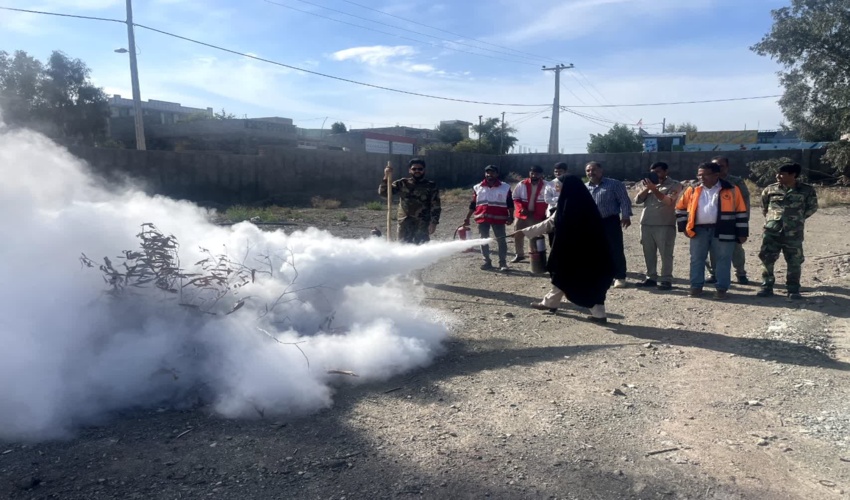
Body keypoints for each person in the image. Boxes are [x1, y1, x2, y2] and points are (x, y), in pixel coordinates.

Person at [511, 174, 614, 323]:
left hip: (579, 254)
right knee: (563, 276)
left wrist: (524, 232)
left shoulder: (572, 206)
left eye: (559, 185)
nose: (556, 187)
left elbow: (551, 223)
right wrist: (524, 232)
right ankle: (549, 303)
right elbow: (550, 223)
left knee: (581, 280)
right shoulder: (578, 204)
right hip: (580, 252)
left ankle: (599, 314)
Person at [675, 162, 749, 299]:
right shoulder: (692, 189)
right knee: (697, 259)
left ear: (716, 175)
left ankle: (721, 288)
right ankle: (696, 286)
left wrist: (742, 232)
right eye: (699, 174)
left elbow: (741, 212)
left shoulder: (732, 189)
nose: (700, 177)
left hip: (724, 229)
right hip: (698, 230)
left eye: (704, 175)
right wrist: (683, 227)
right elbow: (680, 208)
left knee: (723, 259)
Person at [756, 162, 818, 299]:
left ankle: (793, 289)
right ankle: (766, 287)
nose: (778, 176)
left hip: (793, 233)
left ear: (793, 175)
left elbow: (812, 207)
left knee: (794, 261)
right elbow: (764, 207)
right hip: (772, 232)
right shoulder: (770, 189)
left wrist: (797, 219)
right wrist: (773, 220)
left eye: (782, 174)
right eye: (777, 173)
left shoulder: (806, 190)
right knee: (767, 259)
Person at [634, 162, 683, 290]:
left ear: (666, 172)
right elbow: (637, 200)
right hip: (646, 223)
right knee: (648, 252)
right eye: (653, 172)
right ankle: (651, 277)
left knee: (666, 253)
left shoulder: (675, 185)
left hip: (665, 224)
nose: (655, 174)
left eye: (658, 171)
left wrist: (654, 190)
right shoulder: (645, 183)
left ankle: (666, 279)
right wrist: (647, 188)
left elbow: (668, 201)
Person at [585, 161, 632, 288]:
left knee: (615, 249)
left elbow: (624, 200)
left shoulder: (614, 184)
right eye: (588, 171)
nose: (591, 173)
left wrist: (626, 216)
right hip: (592, 223)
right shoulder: (585, 187)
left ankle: (620, 276)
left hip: (610, 221)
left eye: (593, 170)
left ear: (601, 171)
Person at [707, 156, 751, 284]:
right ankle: (713, 273)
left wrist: (742, 225)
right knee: (712, 250)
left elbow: (744, 203)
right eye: (716, 166)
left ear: (727, 167)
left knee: (736, 249)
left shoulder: (736, 182)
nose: (719, 169)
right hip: (712, 223)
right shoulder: (707, 182)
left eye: (722, 166)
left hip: (731, 223)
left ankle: (741, 273)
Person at [463, 165, 514, 271]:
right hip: (482, 218)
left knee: (501, 240)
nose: (489, 175)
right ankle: (487, 261)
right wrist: (467, 217)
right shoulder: (478, 187)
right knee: (483, 240)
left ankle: (502, 263)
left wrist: (511, 216)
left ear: (497, 174)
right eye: (487, 173)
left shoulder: (505, 187)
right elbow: (473, 204)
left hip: (499, 218)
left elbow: (510, 203)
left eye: (492, 173)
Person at [379, 158, 441, 244]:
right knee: (402, 246)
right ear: (409, 170)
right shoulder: (402, 183)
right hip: (404, 222)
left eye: (420, 169)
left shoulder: (431, 186)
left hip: (422, 223)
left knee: (421, 247)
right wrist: (386, 176)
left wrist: (434, 223)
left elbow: (436, 205)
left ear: (424, 170)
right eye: (414, 169)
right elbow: (384, 193)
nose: (417, 171)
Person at [511, 165, 548, 262]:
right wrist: (521, 208)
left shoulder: (547, 185)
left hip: (537, 215)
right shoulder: (522, 184)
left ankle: (535, 256)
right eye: (532, 173)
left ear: (541, 175)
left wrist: (546, 215)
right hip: (522, 215)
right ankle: (519, 254)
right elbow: (515, 198)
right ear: (529, 173)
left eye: (537, 173)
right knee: (518, 234)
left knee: (535, 235)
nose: (534, 175)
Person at [543, 162, 567, 247]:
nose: (557, 173)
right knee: (552, 238)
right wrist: (561, 199)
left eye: (560, 171)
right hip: (552, 213)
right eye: (556, 171)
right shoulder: (550, 184)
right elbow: (547, 199)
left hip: (567, 214)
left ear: (565, 171)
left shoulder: (570, 183)